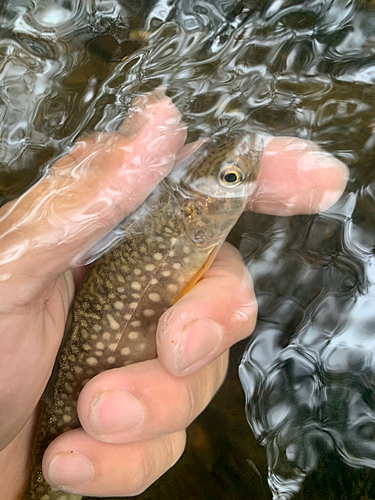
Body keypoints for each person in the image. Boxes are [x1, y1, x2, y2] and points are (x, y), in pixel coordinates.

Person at [0, 89, 348, 499]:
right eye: (231, 179)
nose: (244, 173)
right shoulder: (187, 230)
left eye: (231, 177)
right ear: (196, 223)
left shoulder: (182, 219)